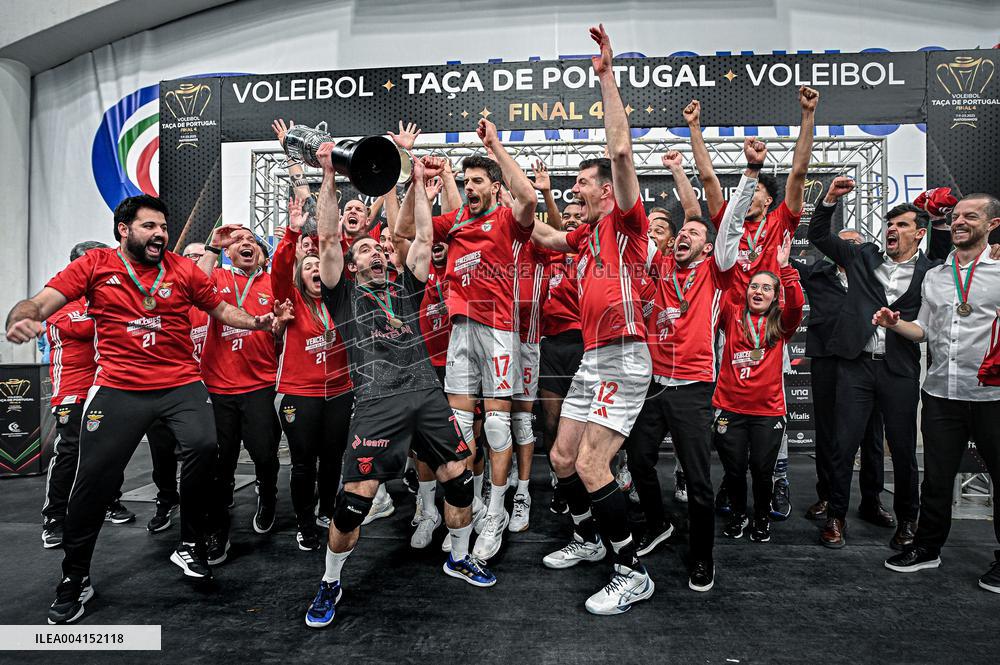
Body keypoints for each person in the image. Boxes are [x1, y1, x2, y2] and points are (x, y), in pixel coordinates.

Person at [5, 194, 275, 625]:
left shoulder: (182, 269)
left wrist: (256, 322)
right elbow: (42, 301)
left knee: (206, 447)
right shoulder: (95, 265)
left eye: (163, 227)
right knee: (92, 480)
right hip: (119, 387)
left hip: (180, 384)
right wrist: (23, 315)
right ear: (123, 229)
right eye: (150, 226)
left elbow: (222, 309)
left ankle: (190, 544)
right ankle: (75, 576)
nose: (160, 234)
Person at [304, 146, 494, 629]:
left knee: (460, 481)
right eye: (366, 249)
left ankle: (459, 556)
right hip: (377, 404)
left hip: (427, 397)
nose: (377, 251)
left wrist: (419, 181)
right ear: (351, 264)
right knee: (352, 505)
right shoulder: (343, 293)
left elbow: (425, 237)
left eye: (381, 248)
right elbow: (327, 238)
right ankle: (330, 581)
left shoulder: (407, 287)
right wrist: (328, 174)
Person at [528, 24, 657, 614]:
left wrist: (606, 75)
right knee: (561, 458)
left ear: (607, 191)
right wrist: (504, 188)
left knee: (591, 462)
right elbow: (540, 232)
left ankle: (631, 571)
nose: (575, 189)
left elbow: (621, 151)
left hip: (626, 355)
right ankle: (588, 539)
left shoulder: (626, 222)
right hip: (592, 357)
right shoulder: (583, 236)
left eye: (582, 182)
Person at [395, 121, 536, 563]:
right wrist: (416, 178)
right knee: (458, 429)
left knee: (495, 427)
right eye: (466, 180)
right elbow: (404, 230)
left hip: (498, 330)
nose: (470, 186)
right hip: (460, 330)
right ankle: (471, 505)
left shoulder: (507, 219)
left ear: (495, 186)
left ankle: (496, 511)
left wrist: (495, 145)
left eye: (477, 180)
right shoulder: (455, 221)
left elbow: (529, 199)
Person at [624, 142, 761, 587]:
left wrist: (750, 172)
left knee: (699, 481)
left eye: (695, 234)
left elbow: (730, 223)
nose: (685, 236)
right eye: (682, 232)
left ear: (708, 249)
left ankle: (703, 557)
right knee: (638, 461)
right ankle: (658, 523)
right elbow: (646, 221)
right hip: (652, 386)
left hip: (694, 388)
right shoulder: (661, 265)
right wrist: (665, 169)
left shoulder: (718, 273)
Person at [685, 90, 818, 519]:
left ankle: (778, 478)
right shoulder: (729, 223)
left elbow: (799, 172)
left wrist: (807, 115)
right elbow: (708, 179)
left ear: (767, 199)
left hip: (771, 324)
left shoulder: (782, 220)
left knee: (771, 406)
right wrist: (694, 128)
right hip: (729, 323)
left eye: (756, 189)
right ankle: (731, 478)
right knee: (726, 404)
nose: (747, 195)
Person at [876, 193, 1000, 593]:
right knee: (937, 479)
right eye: (956, 216)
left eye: (971, 216)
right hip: (941, 393)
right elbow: (923, 331)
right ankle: (927, 548)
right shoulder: (936, 275)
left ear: (992, 225)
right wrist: (894, 324)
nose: (959, 222)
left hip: (992, 397)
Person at [807, 177, 933, 549]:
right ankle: (835, 518)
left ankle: (908, 521)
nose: (892, 229)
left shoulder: (931, 272)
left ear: (919, 234)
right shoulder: (863, 256)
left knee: (903, 450)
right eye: (889, 224)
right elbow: (818, 235)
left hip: (899, 370)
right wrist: (830, 199)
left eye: (902, 224)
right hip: (856, 365)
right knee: (843, 445)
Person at [194, 224, 285, 563]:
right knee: (221, 464)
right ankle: (218, 531)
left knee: (265, 455)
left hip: (260, 385)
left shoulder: (272, 283)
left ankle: (268, 496)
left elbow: (286, 324)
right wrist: (212, 247)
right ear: (229, 253)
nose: (247, 244)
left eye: (252, 241)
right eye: (239, 241)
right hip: (218, 387)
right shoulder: (217, 276)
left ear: (261, 254)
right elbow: (193, 284)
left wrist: (279, 326)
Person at [271, 197, 354, 552]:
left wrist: (330, 234)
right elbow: (279, 270)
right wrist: (292, 233)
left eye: (321, 265)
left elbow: (341, 258)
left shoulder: (341, 299)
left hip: (339, 391)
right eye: (309, 267)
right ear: (300, 276)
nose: (317, 270)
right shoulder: (289, 300)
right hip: (298, 393)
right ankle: (304, 522)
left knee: (333, 457)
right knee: (304, 462)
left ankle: (326, 511)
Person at [793, 231, 891, 526]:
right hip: (828, 359)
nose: (847, 247)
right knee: (827, 431)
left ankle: (871, 501)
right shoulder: (816, 273)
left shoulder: (877, 275)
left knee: (872, 435)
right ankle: (827, 495)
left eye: (854, 243)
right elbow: (781, 262)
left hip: (866, 360)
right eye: (842, 242)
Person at [41, 241, 132, 549]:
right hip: (73, 387)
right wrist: (119, 313)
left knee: (111, 449)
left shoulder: (107, 293)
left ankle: (109, 502)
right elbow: (82, 328)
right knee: (69, 451)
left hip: (108, 384)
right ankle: (54, 518)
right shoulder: (59, 294)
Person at [713, 233, 804, 543]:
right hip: (730, 408)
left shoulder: (781, 324)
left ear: (775, 296)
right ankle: (738, 515)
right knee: (735, 470)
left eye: (766, 288)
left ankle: (762, 517)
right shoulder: (731, 315)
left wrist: (785, 268)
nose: (758, 291)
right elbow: (723, 282)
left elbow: (797, 304)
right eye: (754, 286)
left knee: (763, 471)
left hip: (767, 412)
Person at [147, 243, 211, 534]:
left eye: (201, 256)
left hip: (206, 388)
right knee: (162, 451)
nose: (196, 260)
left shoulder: (213, 299)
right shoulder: (168, 298)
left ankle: (202, 506)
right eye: (190, 256)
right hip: (166, 385)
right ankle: (166, 498)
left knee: (201, 450)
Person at [537, 200, 584, 516]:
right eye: (566, 216)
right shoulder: (551, 256)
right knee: (551, 421)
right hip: (552, 347)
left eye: (578, 216)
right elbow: (551, 233)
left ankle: (582, 478)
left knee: (579, 422)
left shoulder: (590, 255)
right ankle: (561, 481)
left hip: (583, 344)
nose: (571, 220)